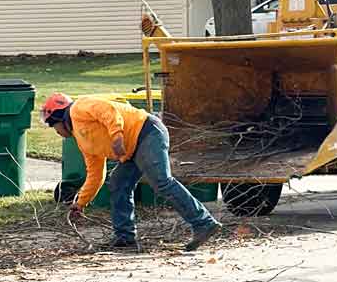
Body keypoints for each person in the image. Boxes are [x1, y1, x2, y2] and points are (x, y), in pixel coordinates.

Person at [41, 92, 222, 252]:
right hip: (132, 148)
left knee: (162, 181)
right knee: (118, 183)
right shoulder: (82, 141)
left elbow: (108, 111)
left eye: (53, 125)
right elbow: (96, 174)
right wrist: (80, 203)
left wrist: (117, 136)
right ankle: (125, 238)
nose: (56, 131)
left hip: (147, 132)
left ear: (59, 117)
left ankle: (203, 222)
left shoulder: (79, 107)